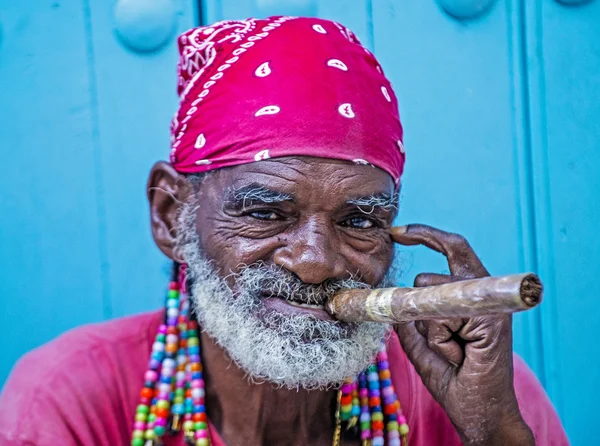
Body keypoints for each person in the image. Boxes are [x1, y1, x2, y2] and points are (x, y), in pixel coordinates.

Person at [0, 16, 568, 446]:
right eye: (266, 213)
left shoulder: (473, 386)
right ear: (172, 215)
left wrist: (492, 430)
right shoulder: (68, 395)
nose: (318, 262)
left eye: (359, 221)